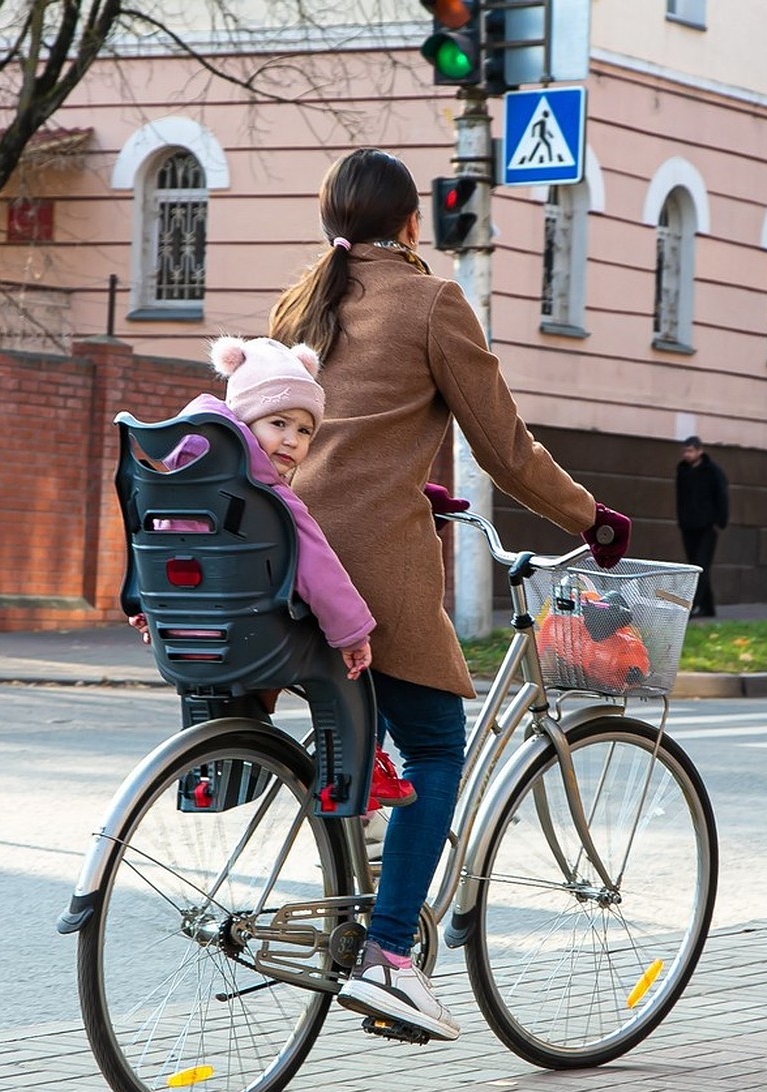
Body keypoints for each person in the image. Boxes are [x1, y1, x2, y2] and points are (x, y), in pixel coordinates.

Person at [268, 147, 631, 1042]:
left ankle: (365, 897)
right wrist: (590, 518)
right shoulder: (432, 300)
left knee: (367, 741)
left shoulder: (300, 302)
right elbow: (503, 446)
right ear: (411, 225)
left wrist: (408, 482)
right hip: (367, 568)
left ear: (330, 225)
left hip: (283, 552)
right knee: (436, 747)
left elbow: (327, 435)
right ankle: (390, 953)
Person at [128, 336, 414, 806]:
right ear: (243, 418)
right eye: (278, 423)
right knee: (346, 667)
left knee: (232, 683)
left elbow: (152, 543)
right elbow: (319, 568)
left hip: (180, 635)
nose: (292, 441)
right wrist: (352, 633)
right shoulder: (265, 492)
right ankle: (350, 782)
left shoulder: (172, 478)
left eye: (304, 431)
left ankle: (204, 782)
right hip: (250, 635)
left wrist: (147, 608)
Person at [675, 435, 729, 619]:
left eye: (690, 451)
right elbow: (680, 499)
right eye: (685, 451)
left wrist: (720, 520)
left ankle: (694, 605)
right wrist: (681, 521)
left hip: (707, 526)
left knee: (700, 566)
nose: (686, 454)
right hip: (689, 526)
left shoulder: (712, 472)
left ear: (700, 451)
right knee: (695, 564)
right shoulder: (682, 470)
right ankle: (708, 607)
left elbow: (722, 496)